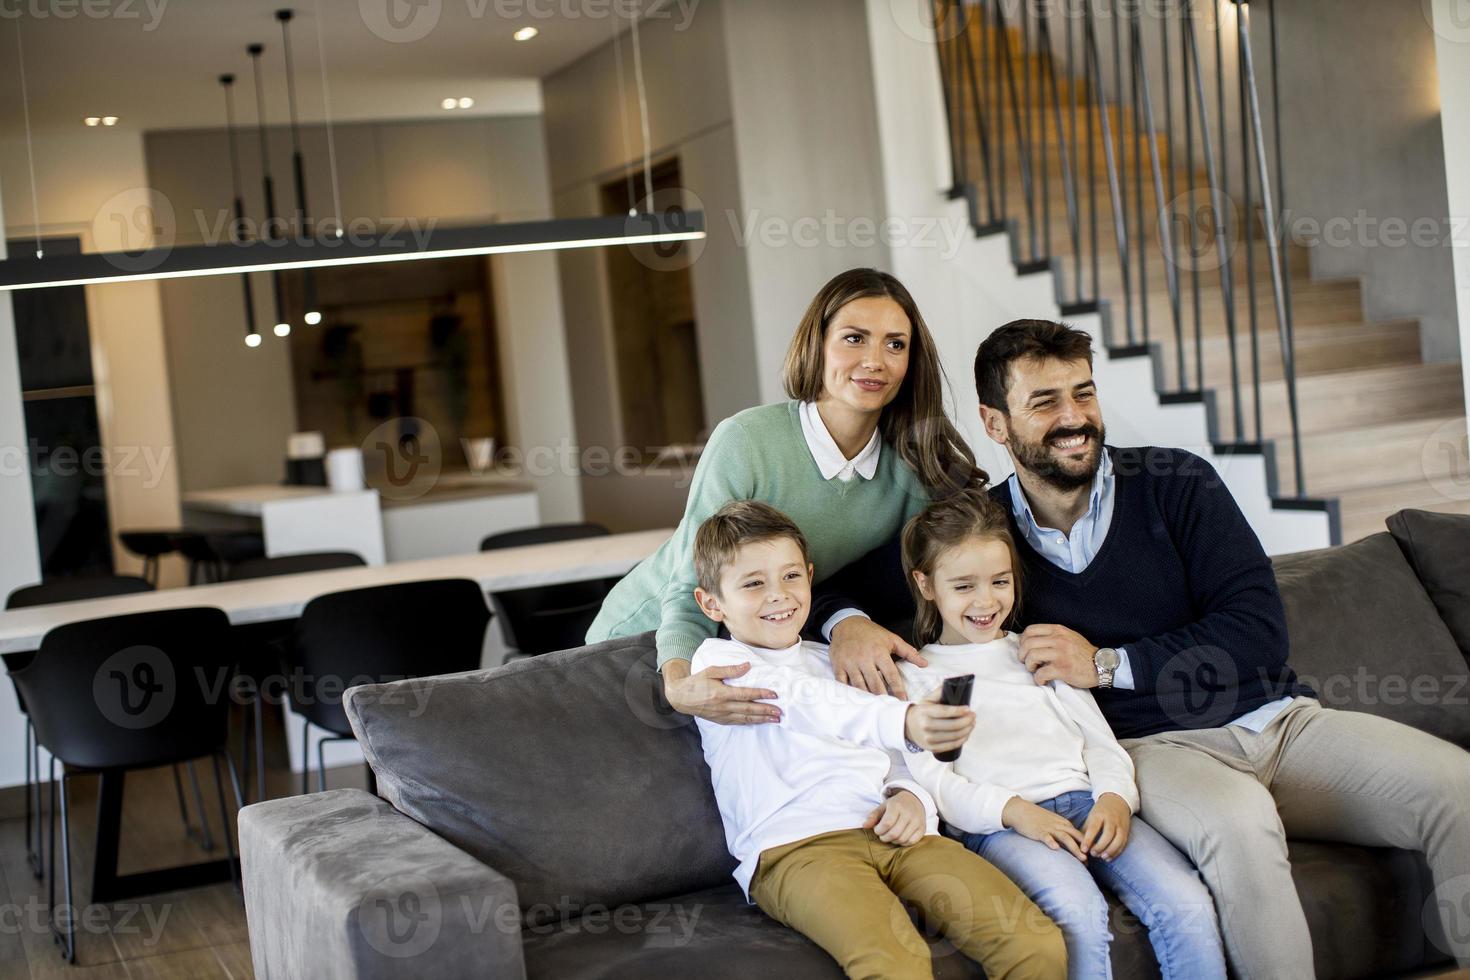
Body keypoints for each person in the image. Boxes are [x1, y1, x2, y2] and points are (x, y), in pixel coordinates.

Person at [811, 317, 1470, 978]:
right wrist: (846, 621)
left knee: (1458, 788)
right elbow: (826, 587)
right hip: (1159, 752)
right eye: (1044, 402)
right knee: (1240, 828)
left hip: (1283, 724)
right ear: (995, 423)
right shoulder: (981, 536)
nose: (1074, 418)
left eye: (1084, 393)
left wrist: (1105, 664)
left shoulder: (1179, 484)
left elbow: (1258, 629)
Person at [687, 499, 1067, 980]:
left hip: (896, 833)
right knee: (897, 963)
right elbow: (809, 703)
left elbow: (899, 758)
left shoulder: (832, 658)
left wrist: (911, 797)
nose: (778, 595)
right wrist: (907, 720)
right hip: (798, 851)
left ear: (808, 575)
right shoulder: (716, 666)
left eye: (790, 576)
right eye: (753, 583)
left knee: (1033, 942)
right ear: (711, 603)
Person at [588, 268, 985, 725]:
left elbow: (892, 584)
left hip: (761, 638)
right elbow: (691, 580)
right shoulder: (747, 439)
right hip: (654, 635)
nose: (875, 360)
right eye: (854, 338)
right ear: (816, 345)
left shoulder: (912, 471)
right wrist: (677, 678)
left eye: (895, 344)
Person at [894, 489, 1226, 980]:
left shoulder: (1038, 650)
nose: (986, 601)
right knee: (1078, 914)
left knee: (1187, 902)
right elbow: (937, 784)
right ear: (926, 585)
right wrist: (1016, 813)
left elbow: (1100, 742)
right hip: (1004, 826)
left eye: (1000, 581)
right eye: (963, 587)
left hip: (1086, 802)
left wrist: (1114, 797)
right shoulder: (916, 678)